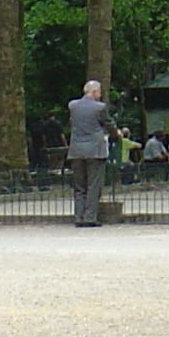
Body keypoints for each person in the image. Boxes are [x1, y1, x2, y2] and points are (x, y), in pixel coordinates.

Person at [67, 80, 121, 227]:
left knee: (79, 186)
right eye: (100, 92)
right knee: (93, 185)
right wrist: (117, 133)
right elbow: (109, 124)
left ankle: (78, 217)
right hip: (95, 151)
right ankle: (90, 218)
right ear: (95, 91)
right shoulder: (100, 108)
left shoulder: (73, 105)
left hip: (76, 150)